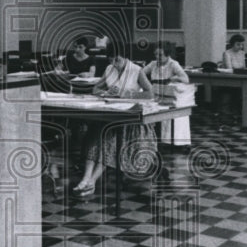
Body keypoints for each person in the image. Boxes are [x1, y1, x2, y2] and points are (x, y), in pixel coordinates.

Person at [73, 41, 156, 197]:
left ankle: (92, 182)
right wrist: (107, 92)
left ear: (125, 57)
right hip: (111, 113)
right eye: (111, 60)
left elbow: (150, 93)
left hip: (129, 119)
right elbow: (96, 88)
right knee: (93, 137)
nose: (114, 64)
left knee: (107, 141)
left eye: (117, 60)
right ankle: (86, 178)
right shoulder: (109, 69)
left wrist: (129, 94)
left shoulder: (136, 70)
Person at [144, 43, 191, 149]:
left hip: (169, 96)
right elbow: (141, 73)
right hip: (156, 94)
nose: (157, 57)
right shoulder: (153, 64)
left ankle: (170, 142)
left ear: (167, 54)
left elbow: (186, 79)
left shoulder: (173, 64)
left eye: (160, 55)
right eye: (155, 54)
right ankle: (154, 140)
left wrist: (173, 79)